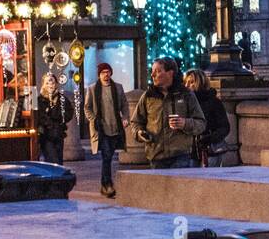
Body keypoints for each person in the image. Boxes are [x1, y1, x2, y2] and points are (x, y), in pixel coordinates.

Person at [131, 57, 206, 169]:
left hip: (181, 156)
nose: (153, 75)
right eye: (152, 71)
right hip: (156, 156)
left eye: (157, 71)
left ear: (170, 73)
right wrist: (139, 133)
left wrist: (184, 123)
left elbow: (201, 123)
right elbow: (136, 122)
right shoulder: (148, 96)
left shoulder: (186, 94)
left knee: (179, 186)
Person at [82, 62, 128, 196]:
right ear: (99, 75)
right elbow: (87, 107)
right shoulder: (92, 89)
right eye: (103, 72)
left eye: (108, 72)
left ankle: (104, 185)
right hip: (101, 129)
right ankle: (107, 184)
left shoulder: (118, 88)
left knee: (109, 156)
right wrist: (93, 119)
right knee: (107, 156)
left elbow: (124, 105)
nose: (106, 75)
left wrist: (125, 117)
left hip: (115, 128)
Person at [183, 68, 230, 167]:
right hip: (190, 151)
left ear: (201, 83)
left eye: (191, 82)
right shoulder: (185, 103)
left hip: (210, 149)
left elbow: (224, 127)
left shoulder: (213, 102)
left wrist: (209, 138)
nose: (187, 85)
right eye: (186, 82)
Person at [36, 72, 74, 165]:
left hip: (59, 134)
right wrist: (47, 123)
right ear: (43, 85)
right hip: (46, 135)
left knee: (59, 161)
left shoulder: (62, 99)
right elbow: (38, 116)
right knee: (52, 160)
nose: (50, 85)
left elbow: (69, 112)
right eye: (47, 83)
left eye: (52, 83)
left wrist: (61, 120)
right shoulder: (40, 99)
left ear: (56, 84)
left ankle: (58, 179)